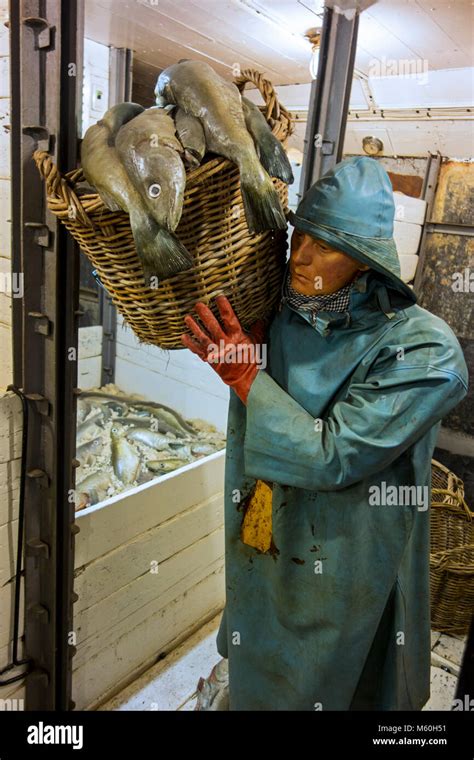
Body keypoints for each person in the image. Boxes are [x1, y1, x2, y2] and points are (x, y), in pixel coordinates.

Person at [181, 156, 468, 711]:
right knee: (259, 636)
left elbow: (330, 454)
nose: (302, 258)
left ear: (366, 263)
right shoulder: (285, 315)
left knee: (337, 675)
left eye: (327, 246)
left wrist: (246, 375)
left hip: (350, 554)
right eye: (301, 238)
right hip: (269, 528)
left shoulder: (424, 350)